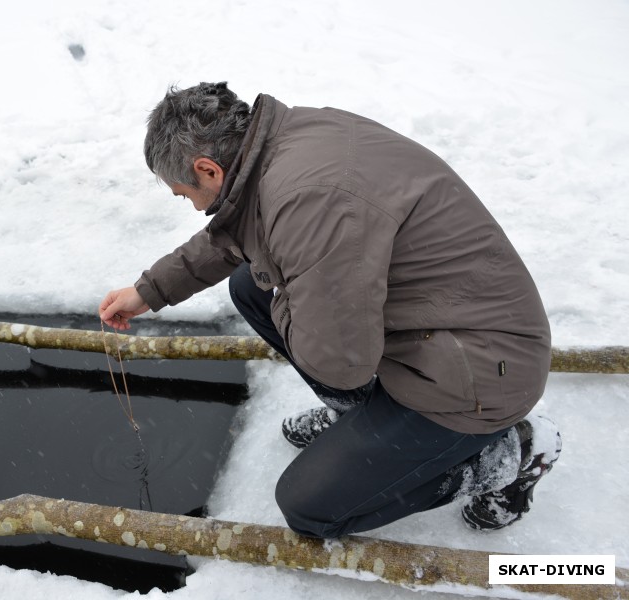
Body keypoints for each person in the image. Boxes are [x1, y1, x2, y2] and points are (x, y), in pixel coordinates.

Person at [99, 82, 561, 538]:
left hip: (477, 374)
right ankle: (362, 418)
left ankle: (509, 454)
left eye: (186, 193)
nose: (193, 206)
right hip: (441, 322)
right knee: (250, 284)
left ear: (208, 169)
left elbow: (340, 364)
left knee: (310, 506)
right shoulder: (285, 142)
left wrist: (287, 300)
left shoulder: (309, 200)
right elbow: (239, 230)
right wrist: (149, 290)